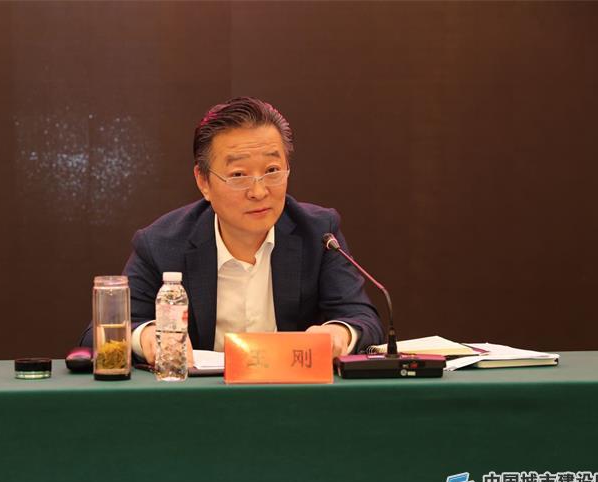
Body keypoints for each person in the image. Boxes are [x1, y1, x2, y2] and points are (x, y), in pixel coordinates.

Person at [81, 97, 384, 363]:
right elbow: (98, 335)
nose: (259, 191)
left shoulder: (319, 233)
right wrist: (147, 337)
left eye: (272, 171)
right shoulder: (162, 244)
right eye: (238, 175)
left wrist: (338, 334)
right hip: (199, 400)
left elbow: (363, 319)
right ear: (203, 182)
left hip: (292, 397)